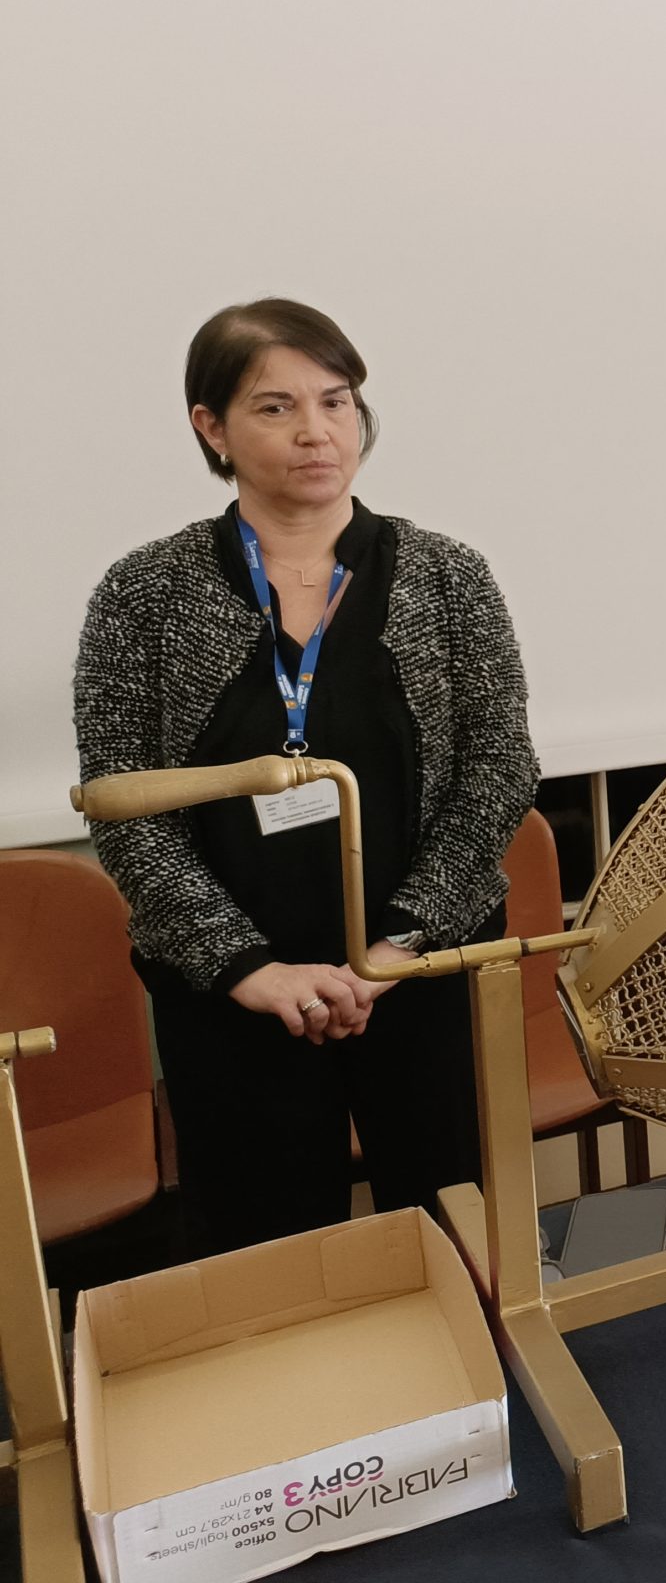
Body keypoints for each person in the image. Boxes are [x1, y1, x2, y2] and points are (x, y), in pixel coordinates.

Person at [75, 299, 538, 1257]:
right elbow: (123, 807)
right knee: (273, 1257)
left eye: (336, 400)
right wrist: (249, 969)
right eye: (276, 407)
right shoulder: (143, 593)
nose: (318, 431)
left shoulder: (448, 576)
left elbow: (500, 769)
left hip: (424, 971)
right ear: (212, 427)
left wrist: (396, 947)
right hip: (234, 995)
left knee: (459, 1233)